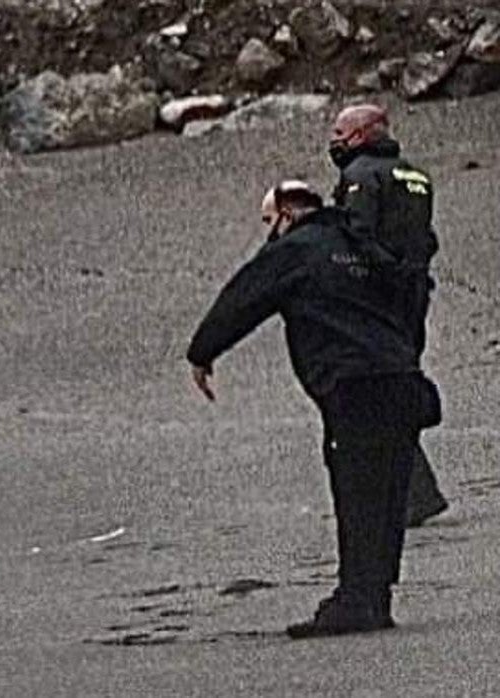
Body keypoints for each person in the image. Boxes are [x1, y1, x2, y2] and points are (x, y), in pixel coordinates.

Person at [187, 181, 442, 639]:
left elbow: (245, 296)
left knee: (358, 492)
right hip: (402, 377)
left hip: (355, 385)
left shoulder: (298, 250)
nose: (269, 232)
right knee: (387, 497)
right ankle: (375, 597)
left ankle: (355, 601)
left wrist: (202, 351)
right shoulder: (360, 242)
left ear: (287, 213)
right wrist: (405, 352)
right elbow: (410, 288)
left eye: (269, 222)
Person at [329, 103, 449, 527]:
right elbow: (426, 239)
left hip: (378, 301)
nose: (335, 141)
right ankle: (411, 493)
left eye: (341, 133)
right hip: (414, 298)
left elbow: (355, 237)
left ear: (361, 135)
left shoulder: (360, 176)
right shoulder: (417, 176)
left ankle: (409, 495)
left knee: (376, 395)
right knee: (395, 386)